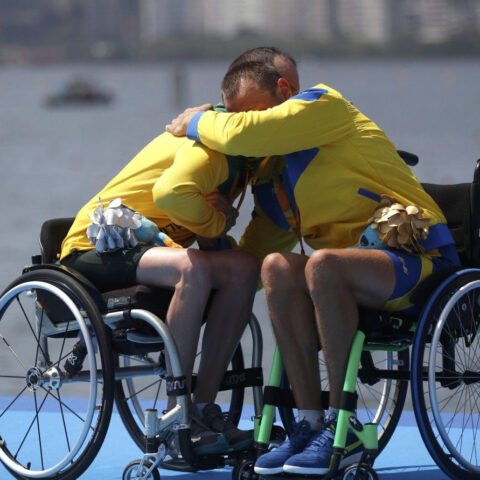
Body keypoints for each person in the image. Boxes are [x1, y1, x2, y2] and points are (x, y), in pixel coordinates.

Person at [165, 58, 461, 475]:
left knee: (322, 264)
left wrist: (196, 121)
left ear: (285, 92)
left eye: (254, 112)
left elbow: (245, 134)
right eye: (237, 116)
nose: (244, 126)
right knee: (275, 268)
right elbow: (249, 259)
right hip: (341, 276)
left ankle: (348, 425)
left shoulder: (325, 106)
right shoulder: (274, 178)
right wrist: (213, 228)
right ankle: (310, 424)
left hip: (419, 262)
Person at [60, 120, 259, 457]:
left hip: (155, 252)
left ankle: (203, 407)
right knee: (191, 267)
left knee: (244, 268)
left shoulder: (242, 167)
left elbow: (211, 246)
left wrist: (219, 222)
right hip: (97, 248)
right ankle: (175, 414)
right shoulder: (209, 148)